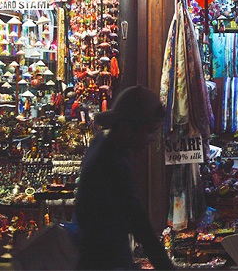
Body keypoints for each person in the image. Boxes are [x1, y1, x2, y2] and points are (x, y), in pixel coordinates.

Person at [75, 86, 174, 270]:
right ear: (127, 127)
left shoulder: (104, 144)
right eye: (150, 130)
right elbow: (138, 220)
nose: (153, 138)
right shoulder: (110, 161)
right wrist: (165, 266)